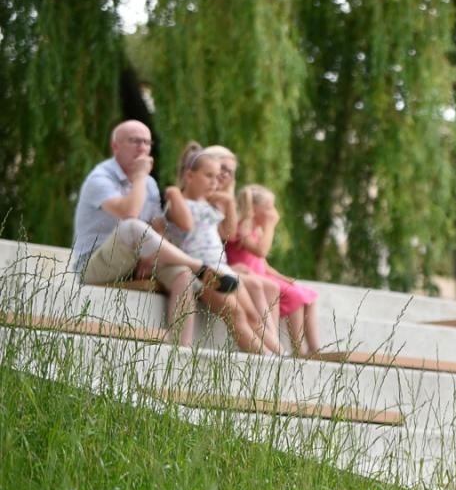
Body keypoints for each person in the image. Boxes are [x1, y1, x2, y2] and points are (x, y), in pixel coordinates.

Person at [69, 120, 239, 295]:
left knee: (184, 277)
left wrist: (151, 256)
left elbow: (157, 226)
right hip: (95, 266)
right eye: (135, 141)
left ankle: (182, 319)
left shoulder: (149, 184)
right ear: (115, 146)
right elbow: (130, 214)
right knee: (131, 227)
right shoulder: (100, 178)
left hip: (135, 261)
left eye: (147, 142)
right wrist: (140, 175)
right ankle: (199, 267)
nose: (142, 148)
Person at [156, 142, 280, 355]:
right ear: (189, 176)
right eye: (209, 176)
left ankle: (281, 356)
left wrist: (230, 203)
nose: (215, 182)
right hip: (203, 271)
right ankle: (268, 362)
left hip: (222, 267)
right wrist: (175, 193)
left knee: (252, 314)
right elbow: (186, 224)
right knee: (235, 314)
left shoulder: (207, 204)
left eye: (217, 177)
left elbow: (229, 234)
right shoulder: (177, 202)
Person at [226, 183, 323, 356]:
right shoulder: (243, 228)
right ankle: (299, 349)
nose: (273, 212)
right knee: (296, 296)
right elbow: (261, 250)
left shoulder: (256, 229)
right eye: (269, 207)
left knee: (307, 294)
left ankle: (314, 349)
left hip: (262, 274)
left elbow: (263, 263)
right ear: (254, 209)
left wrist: (284, 277)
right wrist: (270, 226)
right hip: (252, 277)